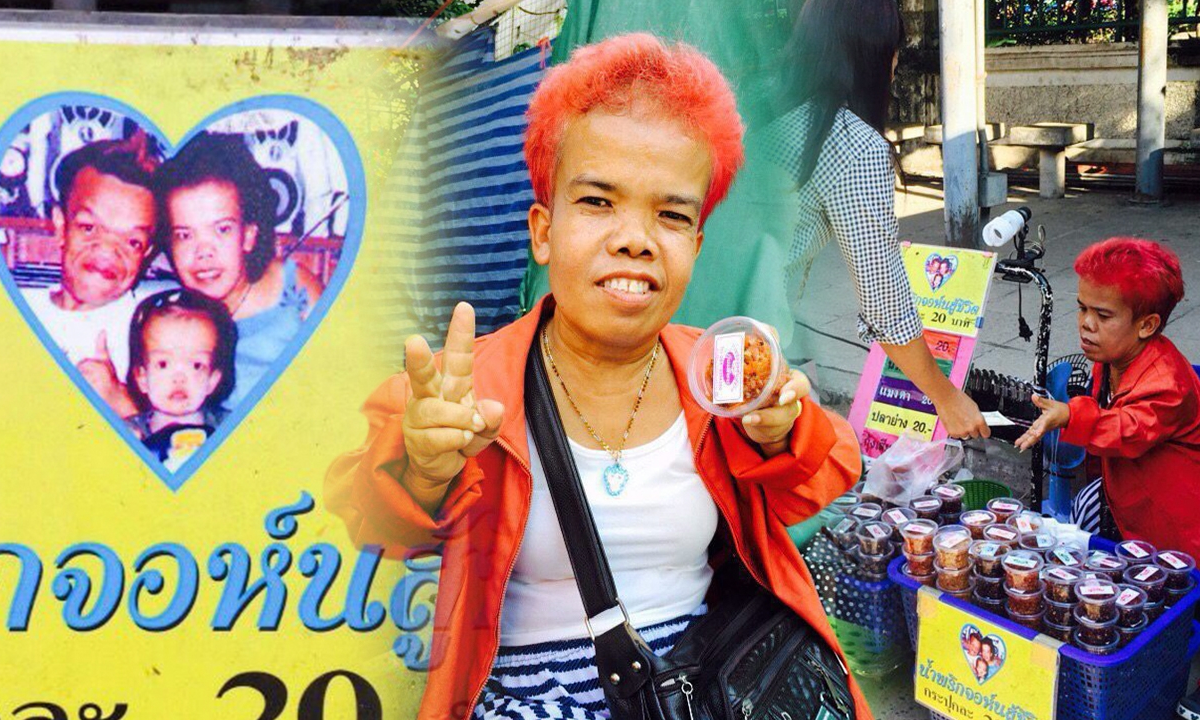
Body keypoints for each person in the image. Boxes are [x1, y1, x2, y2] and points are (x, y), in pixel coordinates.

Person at [325, 34, 871, 720]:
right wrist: (423, 472)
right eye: (597, 202)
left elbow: (822, 478)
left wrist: (781, 433)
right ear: (542, 231)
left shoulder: (719, 374)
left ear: (696, 245)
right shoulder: (466, 391)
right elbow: (373, 524)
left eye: (671, 215)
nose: (635, 238)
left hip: (703, 691)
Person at [754, 0, 989, 440]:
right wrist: (946, 397)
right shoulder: (850, 145)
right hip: (749, 348)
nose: (896, 65)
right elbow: (884, 301)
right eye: (893, 50)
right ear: (873, 53)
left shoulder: (759, 107)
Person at [1015, 238, 1200, 720]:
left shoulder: (1167, 380)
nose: (1086, 324)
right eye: (1082, 308)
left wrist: (1071, 414)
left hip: (1194, 491)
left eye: (1103, 315)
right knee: (1110, 539)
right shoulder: (1110, 357)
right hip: (1136, 486)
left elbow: (1128, 428)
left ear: (1147, 325)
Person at [155, 132, 323, 411]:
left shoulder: (295, 289)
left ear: (248, 236)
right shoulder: (169, 316)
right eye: (185, 235)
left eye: (222, 229)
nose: (203, 252)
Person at [21, 131, 171, 418]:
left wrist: (121, 402)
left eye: (132, 242)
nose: (107, 251)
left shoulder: (163, 320)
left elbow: (186, 435)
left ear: (147, 253)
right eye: (89, 228)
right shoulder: (14, 306)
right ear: (61, 226)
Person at [124, 289, 236, 470]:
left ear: (212, 380)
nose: (179, 378)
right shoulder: (128, 433)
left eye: (196, 365)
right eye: (163, 364)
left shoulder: (232, 428)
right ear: (142, 378)